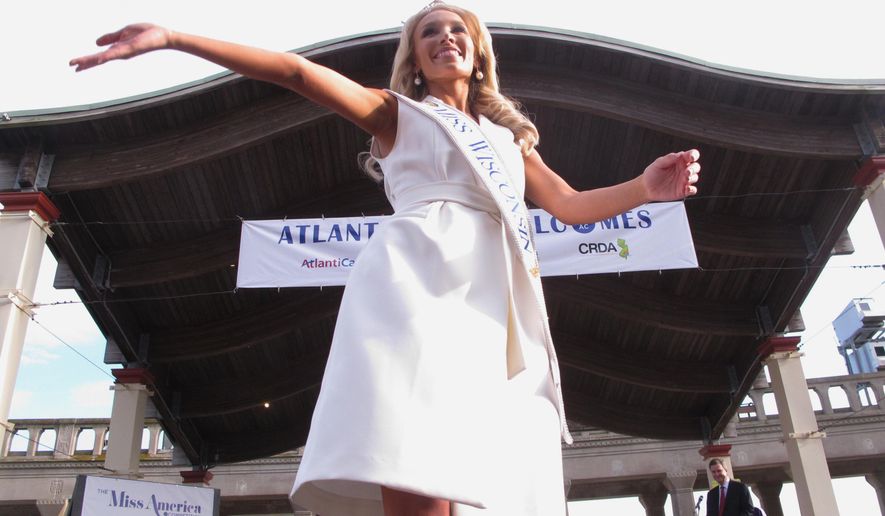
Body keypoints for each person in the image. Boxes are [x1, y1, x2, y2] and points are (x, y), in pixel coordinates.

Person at [71, 3, 700, 515]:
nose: (446, 38)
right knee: (415, 457)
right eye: (429, 32)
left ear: (478, 52)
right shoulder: (398, 115)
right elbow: (294, 73)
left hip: (491, 304)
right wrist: (175, 37)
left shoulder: (509, 141)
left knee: (480, 471)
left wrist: (645, 188)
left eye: (459, 30)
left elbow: (569, 205)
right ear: (415, 59)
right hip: (415, 286)